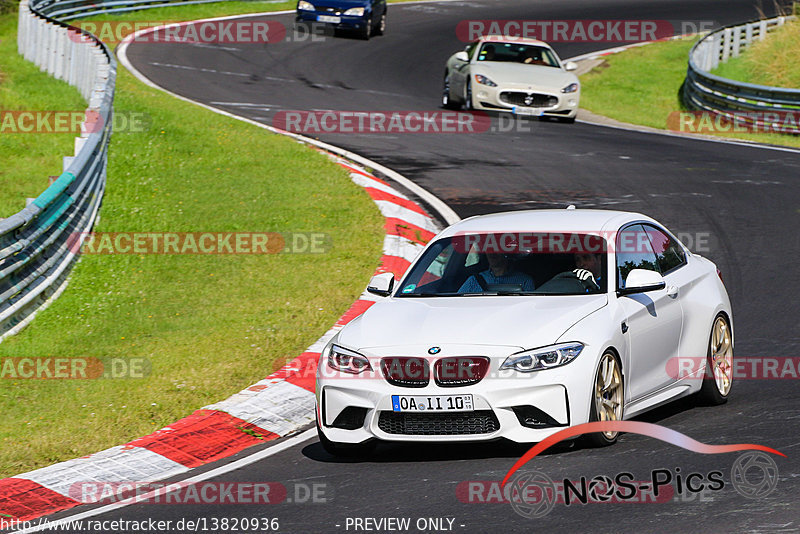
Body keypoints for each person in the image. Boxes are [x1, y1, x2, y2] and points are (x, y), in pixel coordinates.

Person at [459, 252, 535, 293]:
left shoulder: (525, 281)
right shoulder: (474, 281)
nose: (492, 253)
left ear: (506, 253)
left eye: (496, 249)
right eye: (489, 249)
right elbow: (456, 303)